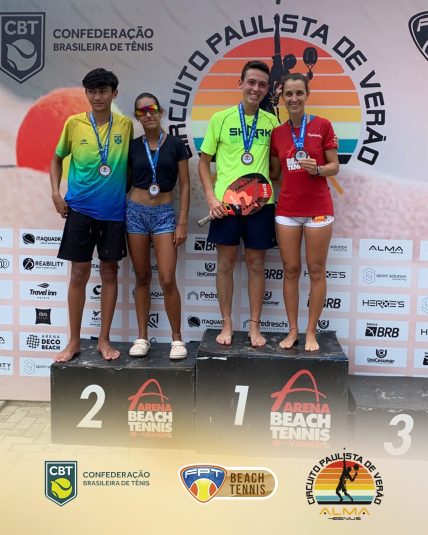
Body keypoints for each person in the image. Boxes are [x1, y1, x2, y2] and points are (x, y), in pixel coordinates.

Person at [50, 68, 133, 362]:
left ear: (114, 93)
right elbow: (56, 159)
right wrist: (56, 194)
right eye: (92, 91)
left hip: (113, 213)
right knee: (79, 273)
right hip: (80, 210)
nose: (97, 97)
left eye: (103, 91)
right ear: (86, 93)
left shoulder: (125, 125)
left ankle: (103, 340)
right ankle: (73, 341)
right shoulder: (74, 123)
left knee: (109, 272)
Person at [198, 61, 279, 347]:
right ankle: (227, 323)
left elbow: (277, 168)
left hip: (261, 205)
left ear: (267, 90)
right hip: (226, 206)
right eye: (251, 82)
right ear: (241, 83)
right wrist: (211, 197)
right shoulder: (220, 119)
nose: (256, 88)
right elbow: (203, 163)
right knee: (225, 264)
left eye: (262, 84)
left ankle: (254, 326)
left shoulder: (272, 123)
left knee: (256, 264)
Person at [270, 73, 339, 351]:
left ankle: (311, 332)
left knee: (317, 270)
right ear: (282, 98)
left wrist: (318, 169)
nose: (294, 98)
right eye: (289, 94)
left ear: (307, 95)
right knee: (290, 270)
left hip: (318, 209)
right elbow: (275, 173)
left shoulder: (322, 125)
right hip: (287, 209)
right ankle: (293, 331)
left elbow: (334, 166)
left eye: (299, 93)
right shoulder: (277, 133)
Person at [127, 92, 190, 359]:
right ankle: (142, 337)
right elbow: (124, 182)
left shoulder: (175, 144)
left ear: (160, 111)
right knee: (142, 277)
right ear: (137, 117)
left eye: (152, 108)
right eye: (142, 111)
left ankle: (177, 339)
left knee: (166, 279)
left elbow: (185, 185)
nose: (148, 114)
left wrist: (182, 220)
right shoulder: (132, 146)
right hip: (135, 213)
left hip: (165, 214)